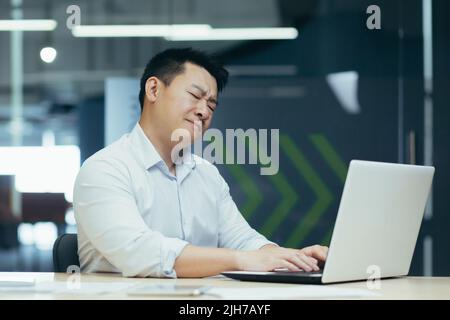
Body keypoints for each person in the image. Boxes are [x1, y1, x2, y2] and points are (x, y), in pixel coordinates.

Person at [73, 48, 328, 278]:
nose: (204, 111)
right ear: (153, 89)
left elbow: (241, 239)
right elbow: (139, 252)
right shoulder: (105, 169)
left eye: (211, 105)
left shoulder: (207, 174)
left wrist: (290, 258)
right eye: (195, 95)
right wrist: (241, 260)